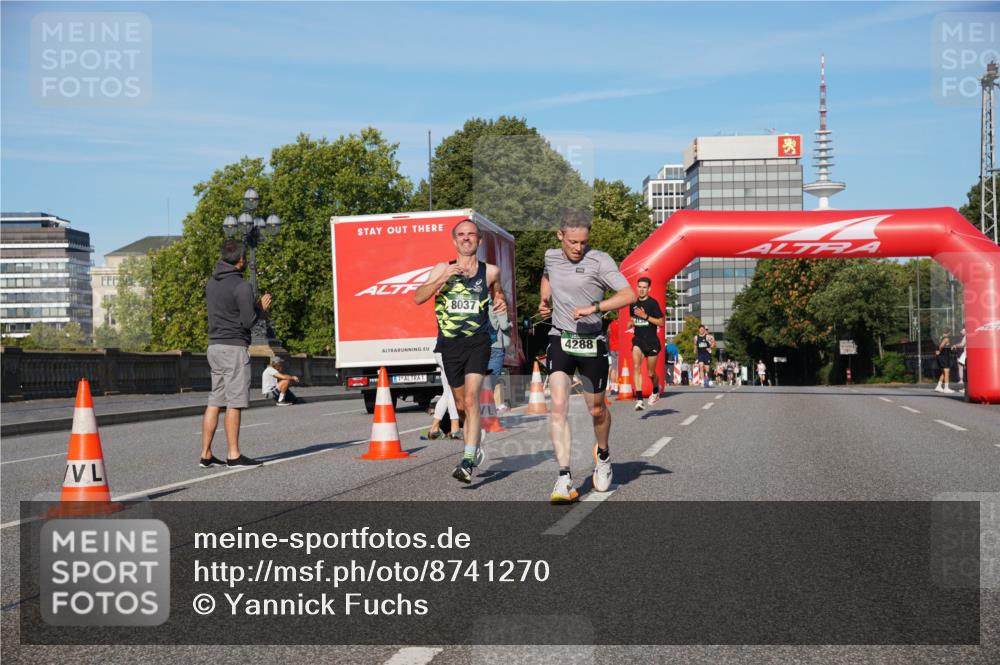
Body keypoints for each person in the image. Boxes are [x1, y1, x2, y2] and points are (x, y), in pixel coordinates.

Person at [539, 211, 636, 503]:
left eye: (583, 242)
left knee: (596, 410)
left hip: (592, 342)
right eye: (572, 242)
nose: (578, 248)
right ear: (560, 236)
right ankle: (564, 477)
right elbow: (547, 277)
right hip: (560, 337)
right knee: (558, 406)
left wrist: (595, 308)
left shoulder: (600, 261)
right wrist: (544, 300)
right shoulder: (550, 256)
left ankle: (603, 455)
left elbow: (629, 295)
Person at [414, 218, 507, 483]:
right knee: (460, 405)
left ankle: (467, 461)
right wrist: (444, 277)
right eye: (461, 235)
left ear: (479, 240)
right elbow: (418, 297)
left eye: (471, 234)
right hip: (450, 344)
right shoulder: (442, 268)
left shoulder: (490, 271)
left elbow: (498, 293)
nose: (466, 238)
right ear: (455, 241)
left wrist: (500, 300)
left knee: (471, 399)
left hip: (478, 342)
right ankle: (474, 439)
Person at [201, 239, 271, 469]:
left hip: (214, 346)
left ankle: (206, 454)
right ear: (241, 259)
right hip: (234, 347)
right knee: (235, 402)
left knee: (215, 400)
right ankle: (234, 455)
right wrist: (261, 309)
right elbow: (248, 321)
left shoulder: (211, 283)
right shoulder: (242, 286)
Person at [630, 277, 664, 410]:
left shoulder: (653, 303)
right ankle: (639, 400)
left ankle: (655, 389)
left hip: (652, 342)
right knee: (636, 366)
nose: (641, 289)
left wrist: (646, 317)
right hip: (638, 340)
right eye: (640, 287)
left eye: (644, 287)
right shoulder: (633, 303)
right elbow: (632, 318)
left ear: (649, 289)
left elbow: (661, 322)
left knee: (651, 373)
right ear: (637, 287)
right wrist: (631, 322)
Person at [426, 352, 462, 440]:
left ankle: (434, 429)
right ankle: (455, 430)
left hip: (442, 353)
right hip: (451, 353)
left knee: (447, 392)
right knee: (453, 390)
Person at [488, 303, 512, 411]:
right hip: (496, 346)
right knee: (491, 381)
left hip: (479, 346)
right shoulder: (498, 303)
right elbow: (504, 325)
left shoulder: (477, 299)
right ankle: (487, 411)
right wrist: (511, 324)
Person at [607, 317, 620, 394]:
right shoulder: (622, 323)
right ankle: (617, 387)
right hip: (619, 347)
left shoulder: (611, 323)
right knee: (618, 368)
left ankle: (612, 387)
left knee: (613, 368)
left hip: (612, 347)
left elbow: (609, 334)